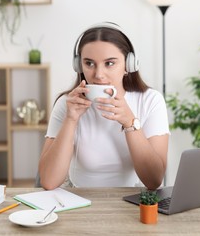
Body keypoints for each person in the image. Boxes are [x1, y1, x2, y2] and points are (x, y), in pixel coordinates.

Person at [38, 22, 170, 190]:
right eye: (89, 63)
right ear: (79, 66)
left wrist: (130, 123)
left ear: (129, 65)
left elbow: (154, 180)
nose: (99, 75)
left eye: (109, 63)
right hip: (81, 199)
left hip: (133, 201)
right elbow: (49, 181)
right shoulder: (67, 104)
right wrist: (70, 120)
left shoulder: (150, 101)